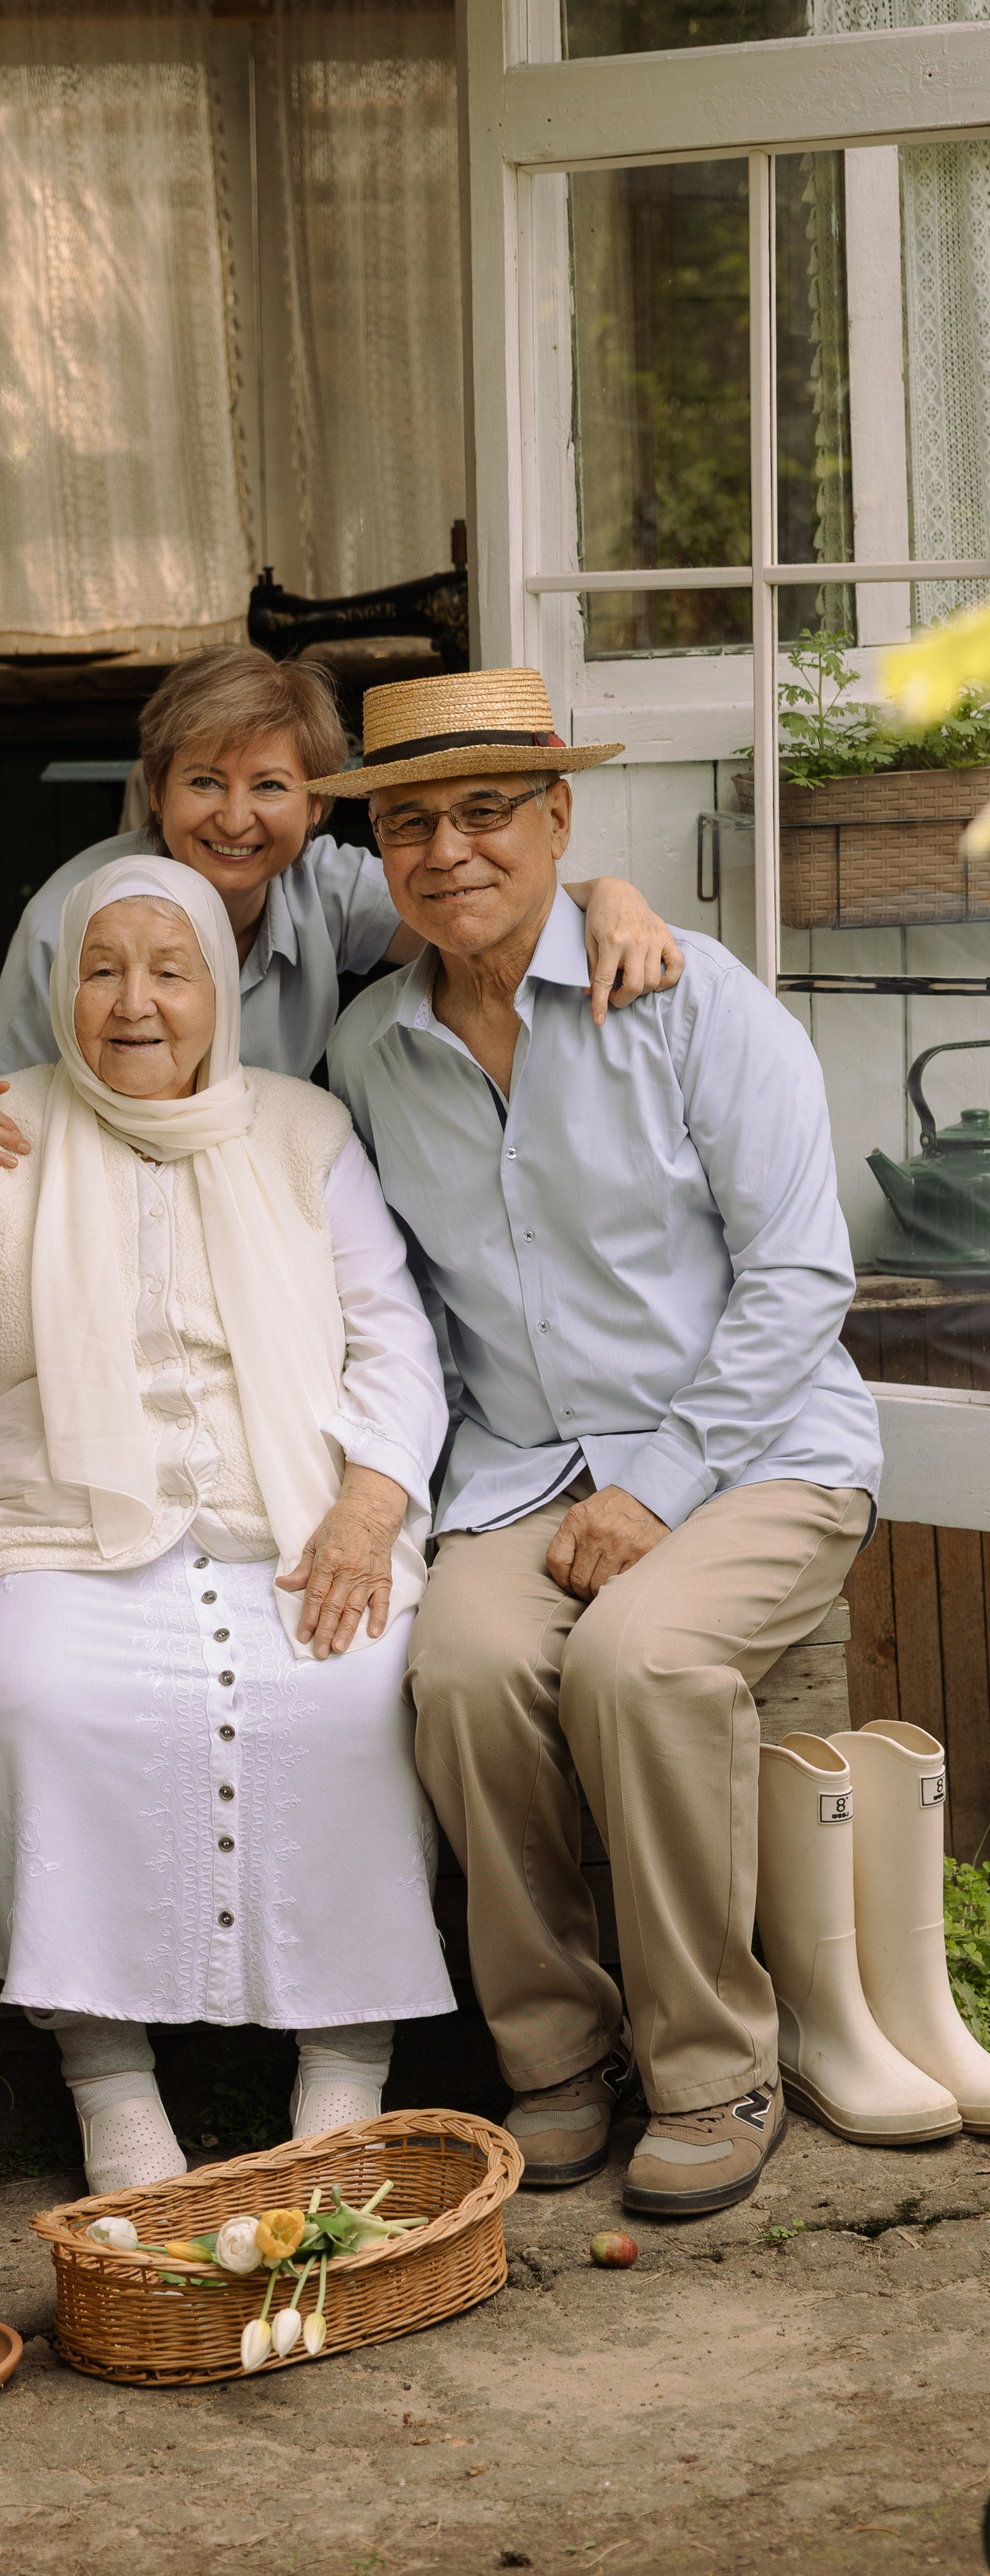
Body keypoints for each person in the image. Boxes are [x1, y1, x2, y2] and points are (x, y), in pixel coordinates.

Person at [323, 667, 883, 2220]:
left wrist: (652, 1483)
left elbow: (796, 1279)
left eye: (487, 810)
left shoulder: (691, 998)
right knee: (458, 1663)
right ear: (377, 850)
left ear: (558, 818)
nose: (449, 850)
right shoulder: (370, 1048)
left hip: (755, 1447)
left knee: (631, 1658)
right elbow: (397, 1303)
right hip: (516, 1465)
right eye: (411, 821)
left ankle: (712, 2063)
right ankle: (557, 2056)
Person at [0, 850, 454, 2196]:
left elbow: (391, 1342)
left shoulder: (300, 1130)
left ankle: (340, 2083)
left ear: (216, 989)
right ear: (59, 989)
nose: (134, 1003)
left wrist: (367, 1498)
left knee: (353, 1695)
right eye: (101, 969)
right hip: (57, 1517)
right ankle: (111, 2086)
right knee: (38, 1698)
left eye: (168, 970)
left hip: (296, 1511)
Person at [0, 644, 683, 1176]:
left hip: (264, 1186)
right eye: (204, 781)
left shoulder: (320, 885)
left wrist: (608, 894)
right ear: (157, 790)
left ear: (319, 804)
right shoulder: (69, 920)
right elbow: (2, 1115)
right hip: (105, 1183)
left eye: (268, 786)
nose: (235, 819)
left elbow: (469, 907)